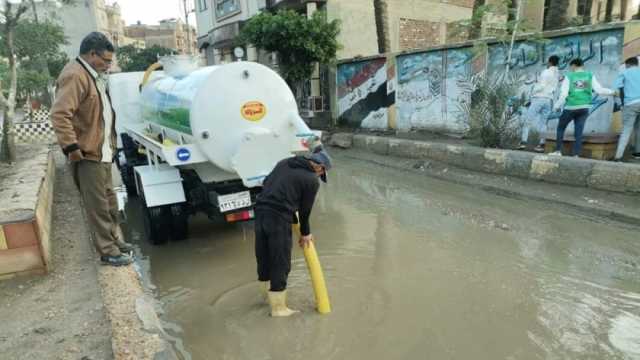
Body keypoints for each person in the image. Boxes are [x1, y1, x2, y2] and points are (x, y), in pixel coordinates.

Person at [51, 32, 134, 267]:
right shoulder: (75, 75)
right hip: (88, 155)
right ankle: (108, 251)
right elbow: (60, 114)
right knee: (97, 205)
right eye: (105, 60)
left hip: (102, 152)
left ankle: (114, 241)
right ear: (91, 54)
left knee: (109, 201)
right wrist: (71, 147)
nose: (109, 65)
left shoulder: (92, 74)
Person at [254, 145, 332, 317]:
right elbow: (305, 210)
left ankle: (265, 298)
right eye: (321, 174)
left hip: (259, 212)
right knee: (280, 262)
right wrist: (305, 233)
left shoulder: (285, 162)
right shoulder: (311, 179)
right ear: (319, 167)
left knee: (264, 256)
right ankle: (278, 309)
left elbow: (267, 183)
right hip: (278, 219)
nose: (319, 177)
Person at [551, 58, 617, 157]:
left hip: (571, 107)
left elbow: (563, 94)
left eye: (571, 67)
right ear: (582, 65)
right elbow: (599, 90)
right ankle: (576, 154)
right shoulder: (590, 75)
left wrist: (556, 106)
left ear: (573, 66)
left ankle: (557, 151)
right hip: (584, 108)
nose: (571, 69)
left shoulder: (569, 76)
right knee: (579, 131)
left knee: (560, 128)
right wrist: (613, 92)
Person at [519, 55, 560, 153]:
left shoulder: (546, 72)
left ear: (549, 62)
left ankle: (523, 143)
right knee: (543, 123)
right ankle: (541, 144)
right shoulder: (557, 74)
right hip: (548, 100)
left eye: (547, 62)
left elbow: (541, 86)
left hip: (539, 98)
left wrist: (532, 94)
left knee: (528, 120)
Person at [613, 56, 640, 161]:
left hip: (630, 104)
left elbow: (615, 90)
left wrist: (620, 104)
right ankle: (637, 153)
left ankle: (618, 157)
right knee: (639, 129)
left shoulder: (624, 73)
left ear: (627, 64)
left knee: (626, 130)